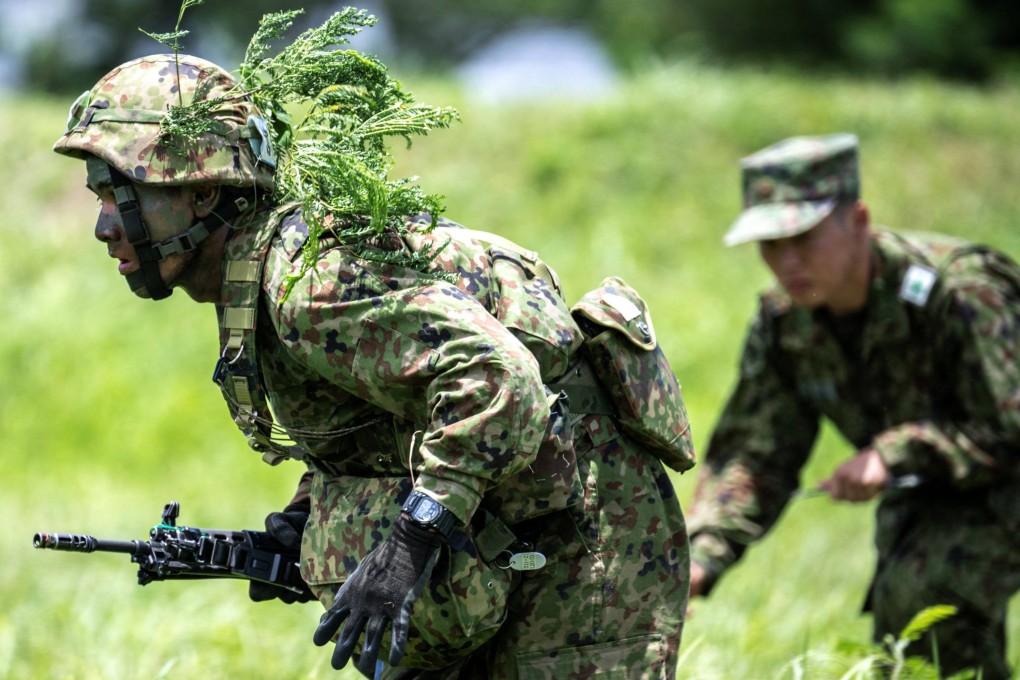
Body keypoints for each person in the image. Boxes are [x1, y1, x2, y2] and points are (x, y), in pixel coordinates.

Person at [51, 11, 695, 679]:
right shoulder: (264, 274)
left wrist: (406, 547)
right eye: (100, 197)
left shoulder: (310, 284)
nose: (103, 227)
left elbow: (496, 381)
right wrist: (306, 525)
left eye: (122, 196)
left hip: (588, 540)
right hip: (500, 541)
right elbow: (384, 409)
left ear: (204, 191)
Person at [685, 132, 1020, 677]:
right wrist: (701, 558)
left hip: (1003, 477)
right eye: (771, 245)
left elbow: (1009, 428)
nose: (787, 261)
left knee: (928, 595)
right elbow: (757, 453)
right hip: (931, 496)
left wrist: (896, 454)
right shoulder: (786, 322)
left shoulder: (958, 290)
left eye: (805, 239)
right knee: (910, 634)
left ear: (858, 220)